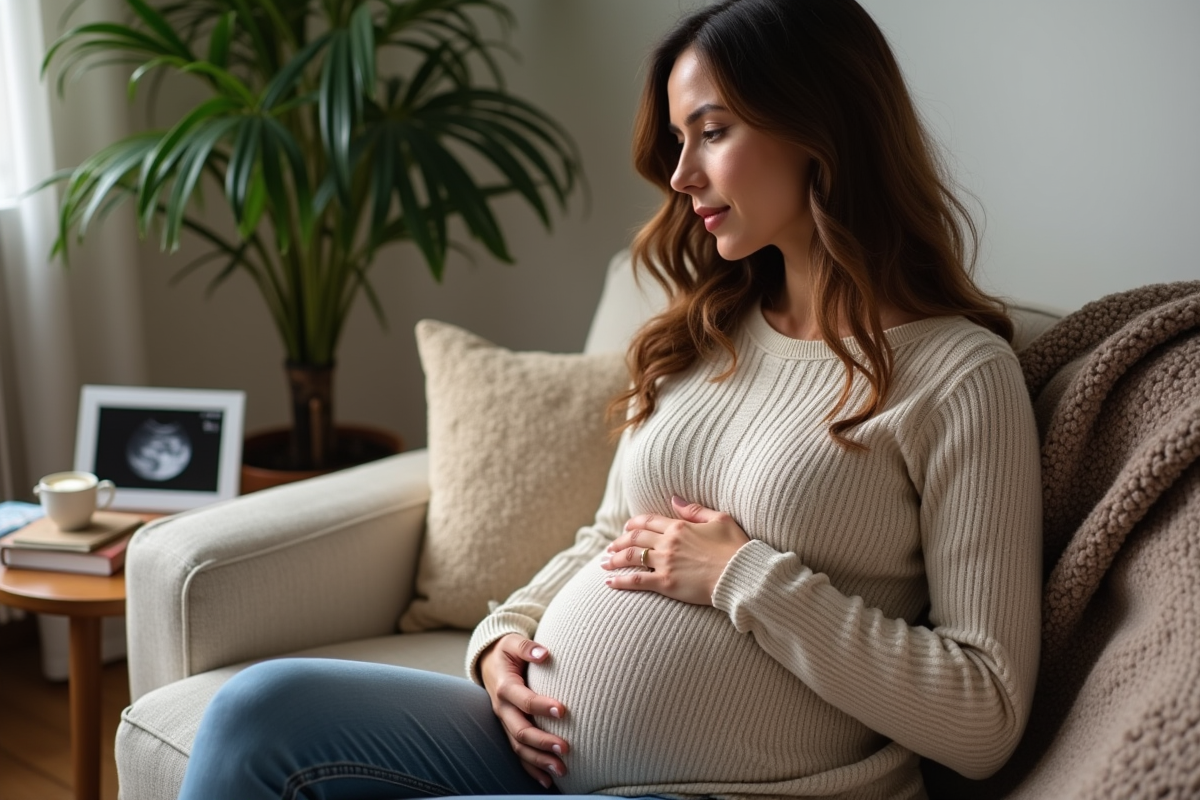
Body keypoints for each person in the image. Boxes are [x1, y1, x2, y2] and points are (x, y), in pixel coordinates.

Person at [177, 1, 1042, 798]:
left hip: (729, 791)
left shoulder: (957, 377)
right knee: (257, 714)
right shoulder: (710, 328)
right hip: (539, 752)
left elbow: (987, 714)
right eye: (676, 140)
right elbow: (608, 539)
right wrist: (501, 641)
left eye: (711, 132)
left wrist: (742, 575)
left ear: (823, 128)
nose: (679, 176)